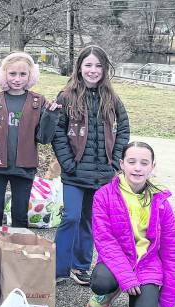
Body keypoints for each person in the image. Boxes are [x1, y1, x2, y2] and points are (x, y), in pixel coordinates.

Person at [52, 45, 129, 285]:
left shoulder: (112, 99)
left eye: (98, 66)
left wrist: (116, 160)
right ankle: (58, 268)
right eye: (88, 65)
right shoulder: (67, 96)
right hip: (74, 173)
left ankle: (81, 265)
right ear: (79, 68)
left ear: (105, 69)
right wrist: (67, 162)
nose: (93, 70)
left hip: (102, 174)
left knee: (90, 220)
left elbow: (124, 130)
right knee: (71, 217)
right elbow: (58, 132)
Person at [87, 142, 175, 307]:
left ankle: (143, 292)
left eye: (144, 163)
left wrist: (169, 296)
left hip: (147, 264)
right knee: (101, 282)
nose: (138, 168)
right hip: (117, 259)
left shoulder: (161, 201)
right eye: (132, 162)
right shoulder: (103, 196)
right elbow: (105, 241)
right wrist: (126, 278)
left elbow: (173, 250)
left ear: (152, 167)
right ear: (122, 164)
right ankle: (108, 292)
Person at [0, 52, 61, 227]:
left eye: (23, 74)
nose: (17, 79)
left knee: (20, 215)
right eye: (12, 74)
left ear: (30, 75)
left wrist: (51, 115)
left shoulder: (38, 101)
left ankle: (17, 253)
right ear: (4, 74)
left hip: (24, 167)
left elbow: (44, 138)